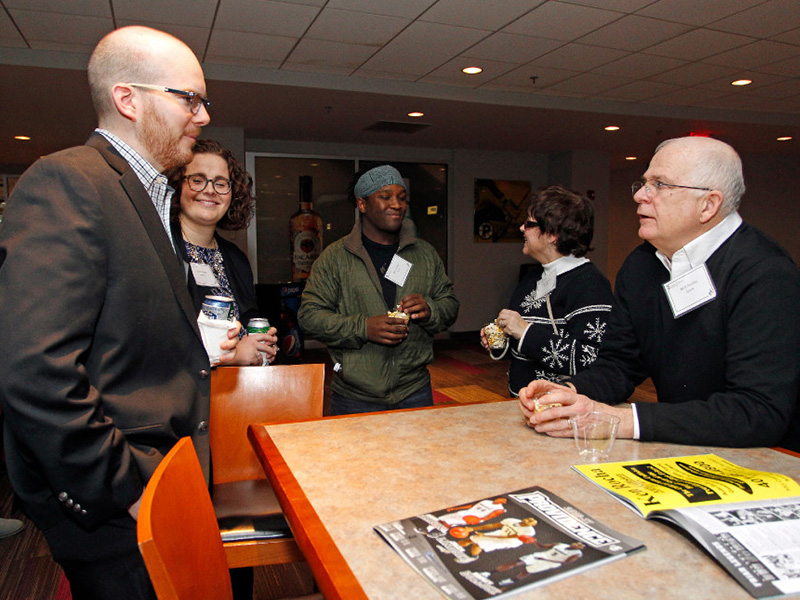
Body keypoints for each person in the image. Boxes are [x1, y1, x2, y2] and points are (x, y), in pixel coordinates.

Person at [0, 26, 242, 599]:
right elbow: (36, 372)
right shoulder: (68, 181)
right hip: (119, 503)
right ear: (128, 99)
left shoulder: (150, 193)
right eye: (190, 98)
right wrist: (125, 490)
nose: (203, 115)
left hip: (164, 480)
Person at [520, 136, 800, 451]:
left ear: (708, 205)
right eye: (643, 184)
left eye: (659, 185)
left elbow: (757, 412)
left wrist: (622, 420)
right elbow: (620, 364)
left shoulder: (765, 273)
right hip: (682, 447)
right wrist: (570, 390)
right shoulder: (641, 265)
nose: (640, 195)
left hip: (768, 462)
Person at [298, 165, 459, 415]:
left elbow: (449, 304)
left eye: (402, 197)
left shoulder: (424, 254)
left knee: (417, 455)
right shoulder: (335, 258)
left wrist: (431, 309)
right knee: (357, 457)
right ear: (362, 204)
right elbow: (309, 317)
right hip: (355, 396)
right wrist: (364, 328)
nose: (397, 204)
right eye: (385, 196)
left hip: (414, 391)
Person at [480, 185, 612, 395]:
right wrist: (499, 342)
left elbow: (589, 359)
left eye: (529, 223)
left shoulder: (591, 285)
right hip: (523, 403)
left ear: (553, 234)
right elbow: (524, 347)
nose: (522, 228)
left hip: (564, 410)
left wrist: (524, 331)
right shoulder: (531, 279)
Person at [166, 139, 278, 366]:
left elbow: (247, 318)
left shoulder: (236, 258)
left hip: (236, 393)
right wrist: (232, 357)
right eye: (197, 180)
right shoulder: (161, 247)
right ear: (178, 186)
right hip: (185, 394)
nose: (209, 190)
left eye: (220, 183)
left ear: (232, 194)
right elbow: (159, 338)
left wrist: (260, 343)